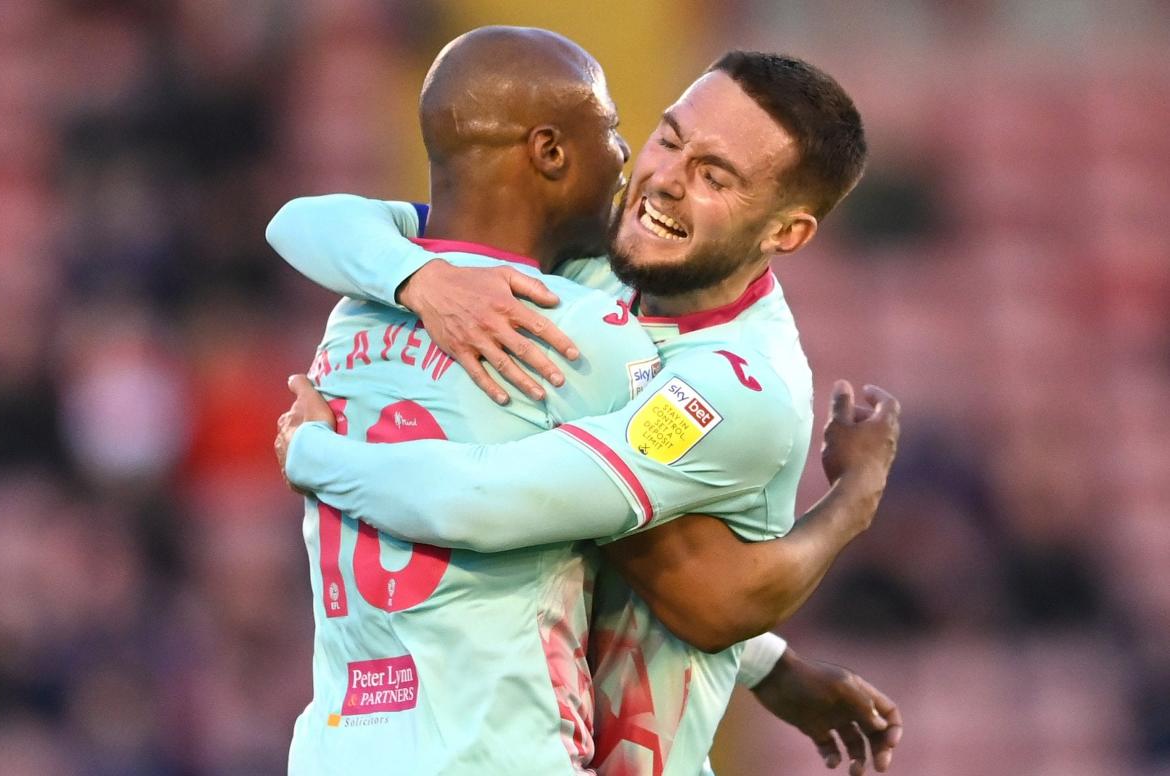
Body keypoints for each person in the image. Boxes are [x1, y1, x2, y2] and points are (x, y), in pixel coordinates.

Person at [274, 28, 900, 776]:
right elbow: (310, 222)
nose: (660, 175)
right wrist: (421, 279)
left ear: (786, 230)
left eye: (714, 175)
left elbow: (711, 596)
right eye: (669, 137)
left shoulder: (734, 389)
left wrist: (854, 501)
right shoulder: (593, 260)